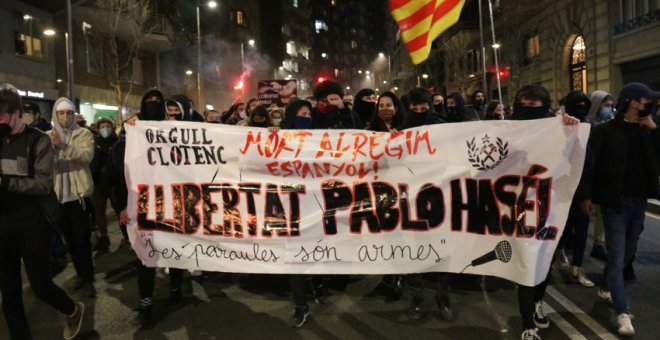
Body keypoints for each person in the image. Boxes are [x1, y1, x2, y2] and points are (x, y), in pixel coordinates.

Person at [0, 84, 85, 339]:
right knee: (10, 294)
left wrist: (5, 183)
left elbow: (42, 184)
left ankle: (72, 310)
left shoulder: (38, 141)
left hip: (32, 223)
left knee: (41, 286)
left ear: (17, 113)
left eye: (2, 115)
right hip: (3, 225)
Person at [580, 82, 660, 337]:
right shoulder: (605, 131)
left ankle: (606, 283)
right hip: (615, 203)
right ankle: (623, 311)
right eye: (645, 100)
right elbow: (589, 164)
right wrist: (586, 195)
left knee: (628, 254)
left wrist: (655, 130)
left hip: (639, 201)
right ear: (633, 102)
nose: (649, 104)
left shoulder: (647, 131)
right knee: (617, 257)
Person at [511, 84, 580, 340]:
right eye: (524, 105)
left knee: (544, 260)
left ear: (545, 106)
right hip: (517, 209)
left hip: (551, 208)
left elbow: (584, 160)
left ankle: (538, 300)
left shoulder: (559, 128)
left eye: (534, 106)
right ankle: (527, 322)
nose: (527, 110)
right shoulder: (506, 130)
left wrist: (571, 129)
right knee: (526, 262)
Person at [117, 88, 185, 325]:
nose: (153, 104)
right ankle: (146, 299)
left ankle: (176, 289)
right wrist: (123, 207)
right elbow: (121, 174)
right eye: (149, 101)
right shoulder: (133, 132)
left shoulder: (175, 130)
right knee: (145, 253)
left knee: (174, 247)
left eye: (158, 101)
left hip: (172, 200)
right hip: (143, 203)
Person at [48, 97, 97, 298]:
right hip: (58, 198)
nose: (65, 117)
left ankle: (88, 279)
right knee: (69, 240)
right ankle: (80, 274)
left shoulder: (83, 133)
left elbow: (86, 157)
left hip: (78, 198)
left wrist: (64, 146)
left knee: (81, 240)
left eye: (69, 112)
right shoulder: (47, 136)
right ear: (55, 114)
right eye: (61, 113)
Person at [556, 91, 594, 287]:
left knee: (582, 229)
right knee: (563, 225)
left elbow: (591, 162)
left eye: (584, 104)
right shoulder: (560, 127)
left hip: (583, 190)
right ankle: (560, 249)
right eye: (576, 104)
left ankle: (577, 268)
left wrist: (588, 193)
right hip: (563, 187)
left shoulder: (591, 128)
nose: (581, 107)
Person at [90, 117, 118, 253]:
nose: (105, 129)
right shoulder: (94, 143)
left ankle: (128, 237)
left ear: (112, 128)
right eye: (102, 127)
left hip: (114, 183)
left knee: (119, 209)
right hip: (98, 182)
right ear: (98, 128)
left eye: (107, 126)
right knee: (99, 211)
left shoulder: (117, 142)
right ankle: (104, 237)